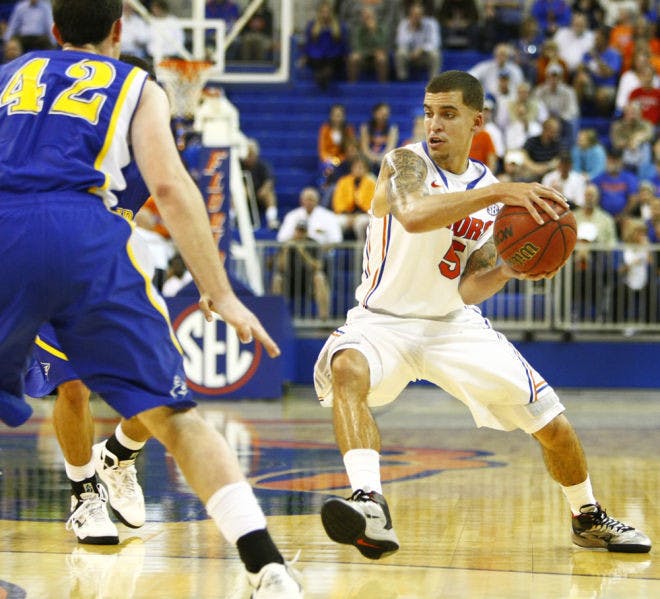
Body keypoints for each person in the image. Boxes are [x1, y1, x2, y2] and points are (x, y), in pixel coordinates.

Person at [0, 2, 302, 597]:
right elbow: (171, 186)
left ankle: (118, 459)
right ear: (118, 30)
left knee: (145, 390)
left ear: (55, 32)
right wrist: (222, 293)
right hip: (83, 239)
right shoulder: (136, 90)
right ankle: (266, 566)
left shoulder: (13, 73)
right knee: (175, 413)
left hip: (10, 229)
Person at [313, 70, 651, 560]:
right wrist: (498, 193)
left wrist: (512, 268)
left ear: (478, 119)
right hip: (381, 320)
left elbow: (469, 286)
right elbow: (411, 213)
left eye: (449, 114)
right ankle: (369, 503)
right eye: (430, 112)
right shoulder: (405, 163)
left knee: (551, 423)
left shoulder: (491, 191)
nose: (435, 124)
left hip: (452, 325)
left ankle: (587, 516)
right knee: (347, 366)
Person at [331, 154, 376, 241]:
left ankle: (361, 252)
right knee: (336, 222)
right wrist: (348, 216)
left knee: (360, 223)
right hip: (346, 215)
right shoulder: (343, 182)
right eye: (356, 167)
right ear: (352, 168)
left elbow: (373, 205)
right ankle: (336, 252)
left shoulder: (371, 183)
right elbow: (338, 203)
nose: (359, 170)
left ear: (366, 169)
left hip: (364, 215)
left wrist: (357, 215)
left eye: (361, 167)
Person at [394, 2, 441, 82]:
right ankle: (403, 79)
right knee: (400, 53)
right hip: (409, 54)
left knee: (435, 54)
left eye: (418, 15)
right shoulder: (404, 24)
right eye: (414, 14)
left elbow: (435, 43)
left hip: (424, 56)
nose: (416, 17)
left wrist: (421, 49)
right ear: (410, 15)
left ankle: (434, 81)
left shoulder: (431, 23)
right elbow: (400, 42)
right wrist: (411, 29)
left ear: (423, 15)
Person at [240, 137, 280, 230]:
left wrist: (264, 189)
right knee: (239, 194)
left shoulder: (262, 165)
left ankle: (272, 220)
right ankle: (233, 219)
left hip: (259, 195)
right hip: (244, 196)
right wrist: (243, 189)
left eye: (251, 154)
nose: (249, 157)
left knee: (269, 195)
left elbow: (269, 180)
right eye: (248, 154)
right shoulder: (239, 165)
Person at [346, 6, 389, 83]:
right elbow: (357, 46)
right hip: (363, 55)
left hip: (377, 55)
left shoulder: (381, 28)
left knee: (382, 58)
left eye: (369, 16)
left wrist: (373, 32)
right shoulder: (358, 29)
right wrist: (368, 52)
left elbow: (382, 45)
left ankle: (383, 87)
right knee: (352, 58)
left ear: (373, 17)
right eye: (364, 16)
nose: (366, 19)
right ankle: (352, 86)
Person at [359, 102, 399, 174]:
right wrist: (372, 157)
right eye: (381, 113)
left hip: (384, 159)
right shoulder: (365, 127)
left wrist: (380, 158)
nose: (383, 116)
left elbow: (390, 148)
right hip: (368, 159)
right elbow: (365, 148)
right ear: (375, 113)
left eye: (386, 114)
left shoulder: (392, 128)